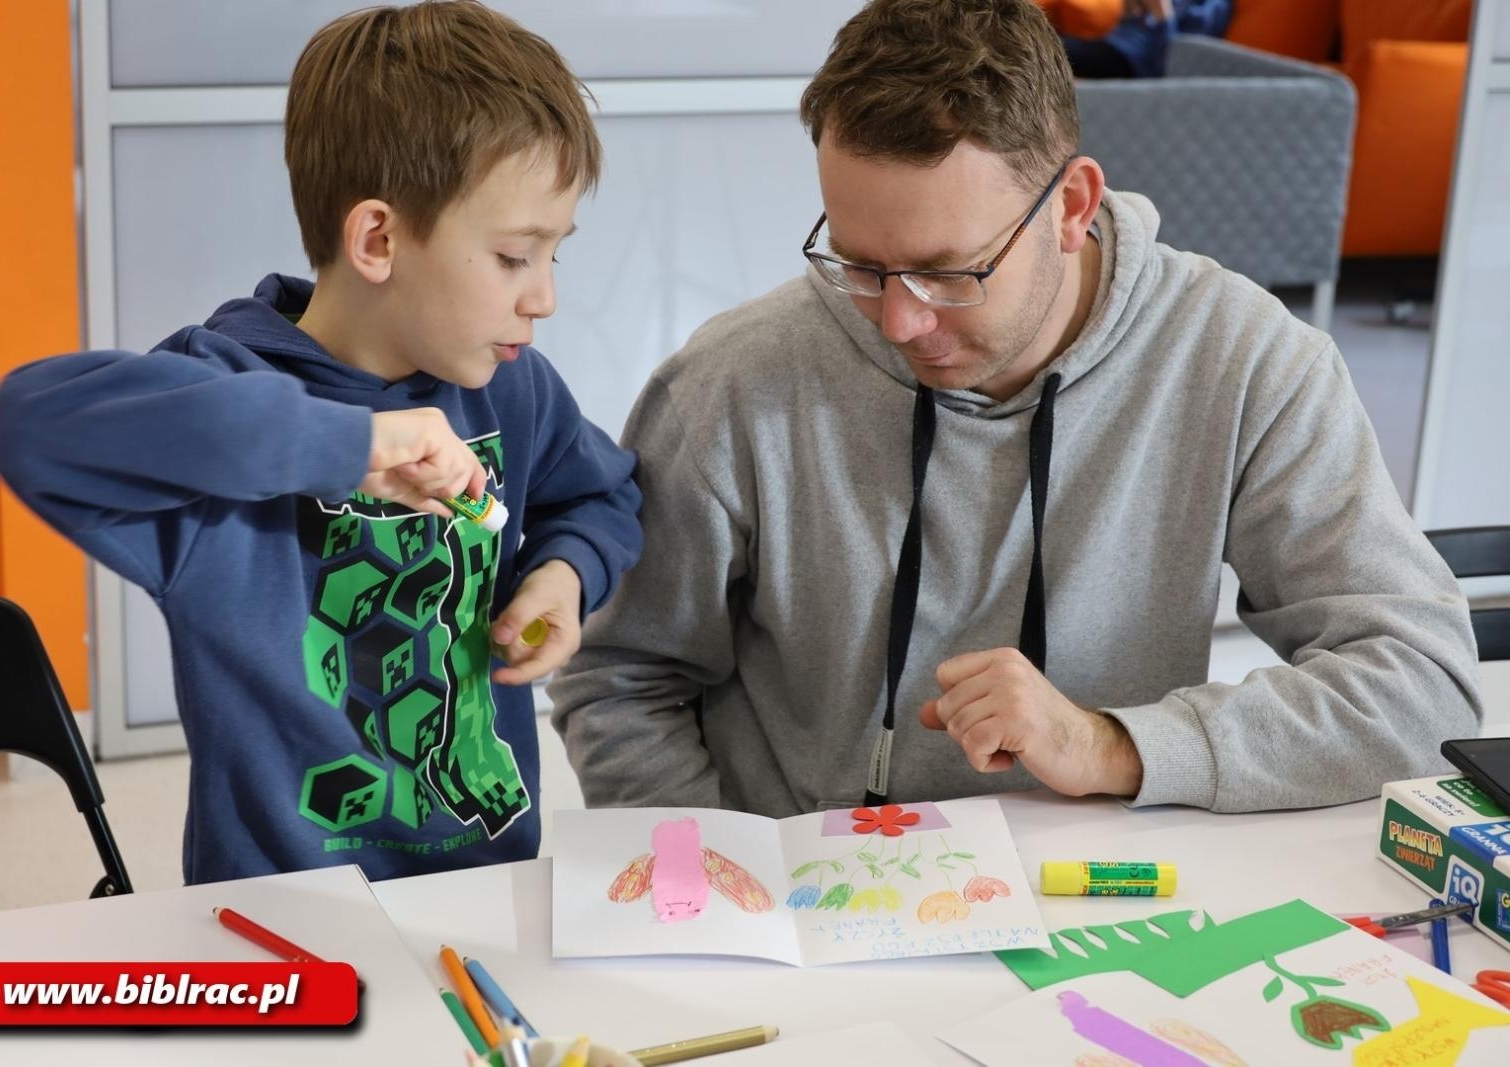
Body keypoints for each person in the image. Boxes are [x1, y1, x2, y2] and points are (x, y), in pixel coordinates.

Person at [550, 0, 1480, 818]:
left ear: (1072, 205)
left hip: (1104, 893)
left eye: (949, 273)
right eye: (861, 265)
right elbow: (621, 681)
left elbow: (1421, 684)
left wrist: (1112, 745)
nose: (900, 320)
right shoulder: (731, 384)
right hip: (803, 904)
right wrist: (716, 883)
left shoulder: (1244, 361)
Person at [0, 1, 642, 884]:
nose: (545, 298)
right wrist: (349, 443)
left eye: (556, 254)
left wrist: (562, 578)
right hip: (280, 916)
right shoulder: (219, 396)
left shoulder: (510, 387)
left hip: (484, 885)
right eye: (514, 257)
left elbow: (601, 494)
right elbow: (29, 422)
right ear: (378, 239)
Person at [1057, 0, 1234, 80]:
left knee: (1055, 51)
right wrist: (1128, 11)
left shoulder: (1212, 7)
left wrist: (1162, 13)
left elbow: (1174, 61)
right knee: (1056, 45)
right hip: (1109, 46)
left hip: (1133, 63)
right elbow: (1126, 30)